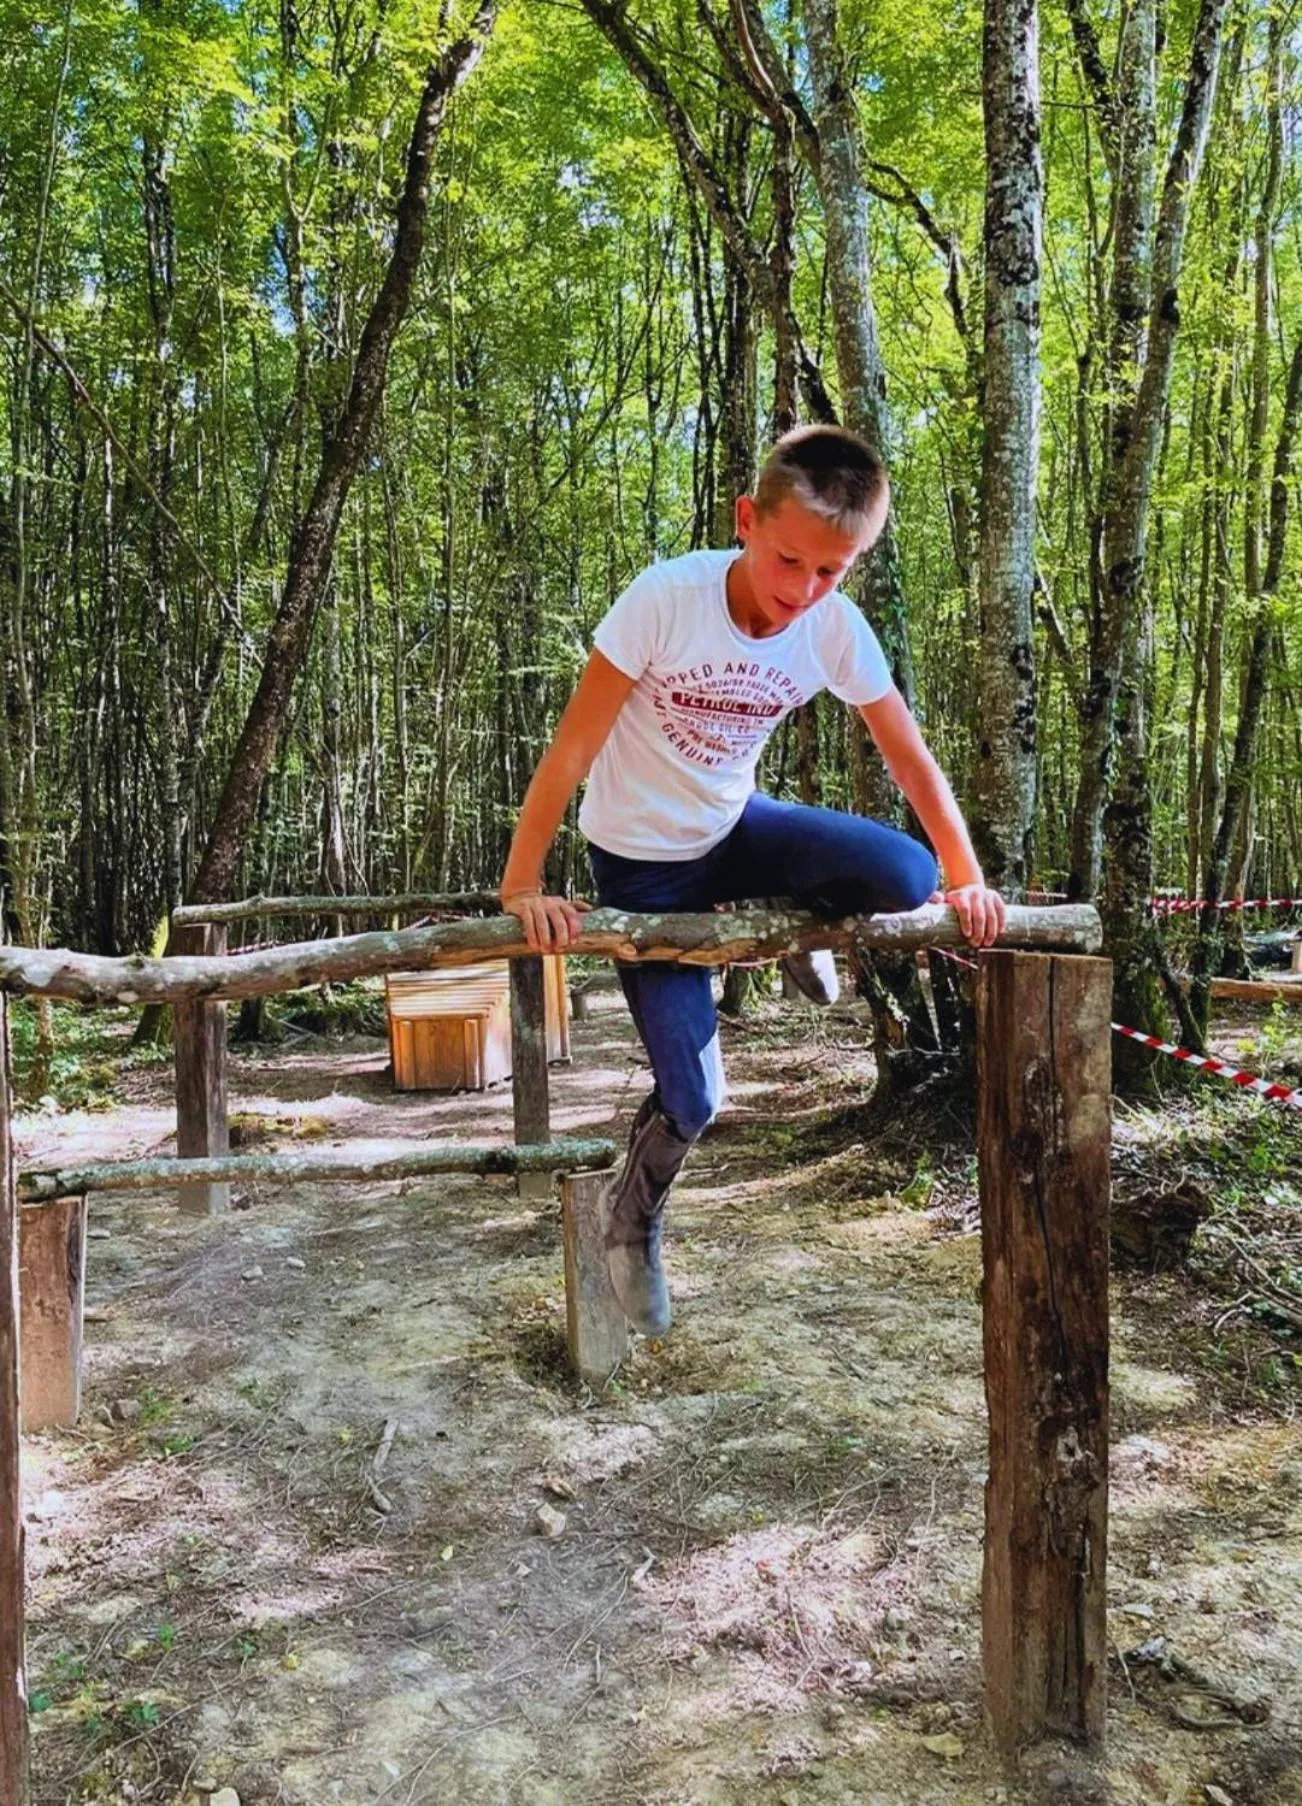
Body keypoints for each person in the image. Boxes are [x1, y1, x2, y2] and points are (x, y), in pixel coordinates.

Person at [499, 426, 1006, 1338]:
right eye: (789, 560)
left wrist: (967, 881)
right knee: (695, 1100)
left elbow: (911, 759)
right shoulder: (667, 599)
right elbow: (570, 750)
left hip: (736, 831)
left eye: (831, 572)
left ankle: (785, 933)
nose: (802, 589)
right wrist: (522, 884)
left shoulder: (832, 628)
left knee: (906, 871)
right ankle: (633, 1217)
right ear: (747, 521)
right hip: (645, 869)